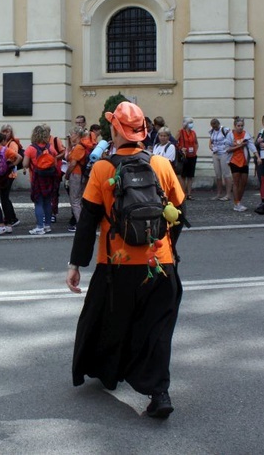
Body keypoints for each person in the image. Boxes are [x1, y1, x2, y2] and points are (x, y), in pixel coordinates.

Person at [66, 101, 186, 419]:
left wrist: (76, 265)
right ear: (143, 132)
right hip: (158, 263)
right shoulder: (161, 165)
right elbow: (179, 213)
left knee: (108, 323)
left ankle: (107, 372)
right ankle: (159, 392)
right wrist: (168, 250)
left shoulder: (103, 170)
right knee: (157, 330)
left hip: (116, 266)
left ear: (114, 130)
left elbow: (88, 222)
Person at [22, 124, 58, 235]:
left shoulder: (31, 149)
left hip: (36, 178)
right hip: (49, 178)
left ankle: (39, 226)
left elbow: (25, 164)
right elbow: (55, 163)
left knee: (38, 202)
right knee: (47, 202)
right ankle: (47, 225)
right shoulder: (50, 148)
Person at [225, 117, 260, 212]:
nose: (240, 127)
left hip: (244, 161)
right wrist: (240, 146)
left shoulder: (246, 134)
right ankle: (237, 203)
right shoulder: (230, 135)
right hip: (234, 160)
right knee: (236, 182)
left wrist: (257, 156)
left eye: (242, 126)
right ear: (235, 126)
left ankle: (238, 201)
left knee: (243, 183)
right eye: (238, 126)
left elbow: (251, 145)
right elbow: (227, 149)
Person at [64, 126, 88, 233]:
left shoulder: (78, 147)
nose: (70, 136)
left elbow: (73, 163)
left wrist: (67, 175)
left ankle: (80, 224)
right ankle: (83, 222)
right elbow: (68, 156)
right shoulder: (79, 146)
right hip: (80, 175)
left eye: (72, 134)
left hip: (76, 174)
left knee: (75, 201)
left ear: (77, 135)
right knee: (79, 200)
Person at [2, 124, 23, 227]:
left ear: (11, 133)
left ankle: (12, 218)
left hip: (9, 173)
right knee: (4, 196)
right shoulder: (4, 143)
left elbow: (14, 157)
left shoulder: (12, 143)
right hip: (5, 172)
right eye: (4, 131)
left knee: (5, 196)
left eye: (8, 132)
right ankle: (9, 217)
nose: (6, 133)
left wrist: (9, 163)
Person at [208, 118, 232, 201]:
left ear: (218, 124)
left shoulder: (224, 130)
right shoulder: (212, 131)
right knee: (218, 174)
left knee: (226, 174)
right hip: (215, 153)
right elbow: (210, 140)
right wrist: (210, 146)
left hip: (224, 153)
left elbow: (230, 139)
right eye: (213, 126)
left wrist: (228, 148)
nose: (215, 128)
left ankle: (228, 194)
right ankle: (219, 193)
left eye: (216, 126)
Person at [177, 117, 198, 200]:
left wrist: (195, 150)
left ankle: (189, 194)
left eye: (191, 122)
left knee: (190, 175)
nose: (191, 124)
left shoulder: (193, 132)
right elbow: (175, 142)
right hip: (184, 156)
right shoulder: (181, 132)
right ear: (185, 124)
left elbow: (196, 142)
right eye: (190, 122)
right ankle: (183, 193)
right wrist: (181, 148)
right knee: (183, 176)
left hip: (192, 156)